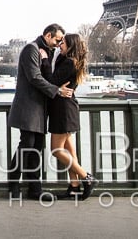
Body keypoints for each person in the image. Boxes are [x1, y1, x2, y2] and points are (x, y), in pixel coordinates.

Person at [6, 23, 74, 200]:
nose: (59, 44)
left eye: (61, 41)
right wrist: (57, 91)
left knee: (36, 148)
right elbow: (34, 77)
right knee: (27, 146)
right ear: (48, 35)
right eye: (58, 40)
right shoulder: (32, 49)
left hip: (39, 108)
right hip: (29, 107)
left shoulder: (47, 52)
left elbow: (47, 77)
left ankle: (34, 189)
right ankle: (13, 184)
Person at [43, 33, 98, 200]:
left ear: (71, 46)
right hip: (64, 108)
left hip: (63, 109)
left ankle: (86, 177)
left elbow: (51, 81)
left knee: (56, 150)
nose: (60, 45)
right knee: (69, 151)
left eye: (63, 43)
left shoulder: (69, 62)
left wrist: (45, 60)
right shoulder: (70, 61)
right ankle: (74, 187)